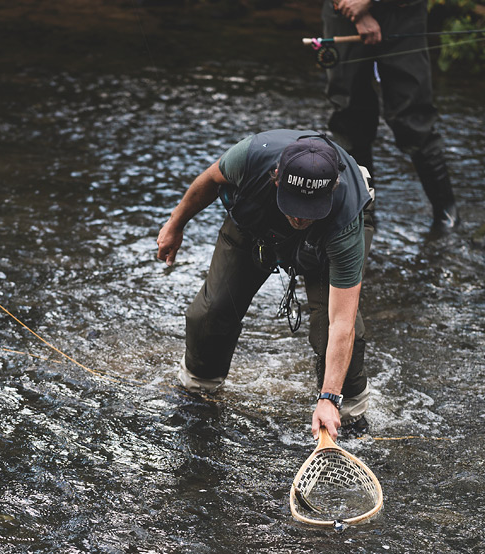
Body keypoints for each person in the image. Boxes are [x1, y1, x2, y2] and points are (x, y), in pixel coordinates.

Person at [156, 130, 375, 440]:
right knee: (212, 311)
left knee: (329, 331)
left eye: (308, 210)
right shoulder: (250, 157)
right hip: (256, 226)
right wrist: (175, 224)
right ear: (276, 178)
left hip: (326, 245)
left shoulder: (345, 218)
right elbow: (209, 179)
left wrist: (329, 399)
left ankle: (349, 416)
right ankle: (198, 393)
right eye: (294, 205)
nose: (299, 218)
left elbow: (342, 323)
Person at [321, 0, 458, 232]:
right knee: (350, 115)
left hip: (403, 11)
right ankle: (363, 215)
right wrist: (355, 13)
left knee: (412, 115)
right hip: (343, 11)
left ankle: (446, 213)